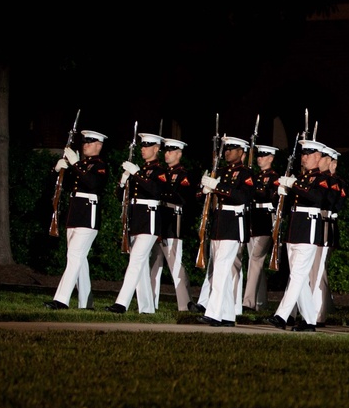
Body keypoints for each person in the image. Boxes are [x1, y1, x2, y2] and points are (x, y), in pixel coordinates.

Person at [264, 139, 331, 331]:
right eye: (303, 154)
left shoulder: (322, 178)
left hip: (308, 230)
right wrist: (280, 192)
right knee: (297, 276)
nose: (304, 157)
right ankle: (309, 321)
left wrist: (295, 185)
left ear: (318, 157)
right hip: (294, 230)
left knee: (297, 275)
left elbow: (318, 198)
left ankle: (281, 315)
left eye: (308, 154)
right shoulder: (301, 178)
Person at [44, 130, 109, 310]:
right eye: (84, 142)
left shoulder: (99, 165)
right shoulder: (80, 165)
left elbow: (93, 184)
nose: (85, 144)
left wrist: (75, 163)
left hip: (88, 215)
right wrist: (56, 170)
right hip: (74, 215)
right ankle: (86, 303)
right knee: (79, 259)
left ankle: (61, 300)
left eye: (90, 142)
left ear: (99, 145)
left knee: (74, 256)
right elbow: (59, 186)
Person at [197, 135, 255, 327]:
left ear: (242, 153)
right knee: (220, 270)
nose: (228, 152)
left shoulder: (246, 174)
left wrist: (217, 186)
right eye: (226, 149)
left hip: (233, 225)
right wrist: (204, 189)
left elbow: (243, 197)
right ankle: (228, 315)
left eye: (232, 149)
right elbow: (201, 197)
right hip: (219, 223)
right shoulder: (220, 171)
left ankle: (213, 313)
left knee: (221, 269)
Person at [106, 132, 166, 314]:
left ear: (156, 149)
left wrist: (137, 173)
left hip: (150, 220)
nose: (143, 149)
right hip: (135, 219)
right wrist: (123, 181)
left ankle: (121, 303)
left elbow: (155, 191)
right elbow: (119, 196)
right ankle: (147, 308)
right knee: (139, 264)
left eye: (147, 146)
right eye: (143, 146)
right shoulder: (137, 170)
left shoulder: (160, 171)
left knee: (136, 260)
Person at [149, 138, 193, 312]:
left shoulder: (183, 175)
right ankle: (150, 303)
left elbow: (182, 198)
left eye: (171, 151)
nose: (167, 154)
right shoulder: (161, 172)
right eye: (166, 150)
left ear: (179, 154)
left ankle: (185, 303)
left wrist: (162, 190)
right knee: (154, 263)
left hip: (173, 220)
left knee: (174, 262)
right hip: (158, 217)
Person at [242, 144, 279, 312]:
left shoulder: (274, 177)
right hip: (253, 218)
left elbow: (269, 195)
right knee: (254, 261)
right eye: (259, 155)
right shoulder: (254, 175)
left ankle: (248, 302)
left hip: (265, 217)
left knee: (255, 260)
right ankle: (261, 302)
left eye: (264, 156)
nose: (260, 158)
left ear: (271, 158)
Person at [312, 145, 346, 326]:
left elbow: (333, 203)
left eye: (322, 158)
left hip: (325, 226)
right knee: (312, 271)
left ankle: (319, 313)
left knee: (318, 271)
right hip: (313, 225)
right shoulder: (316, 178)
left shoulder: (334, 181)